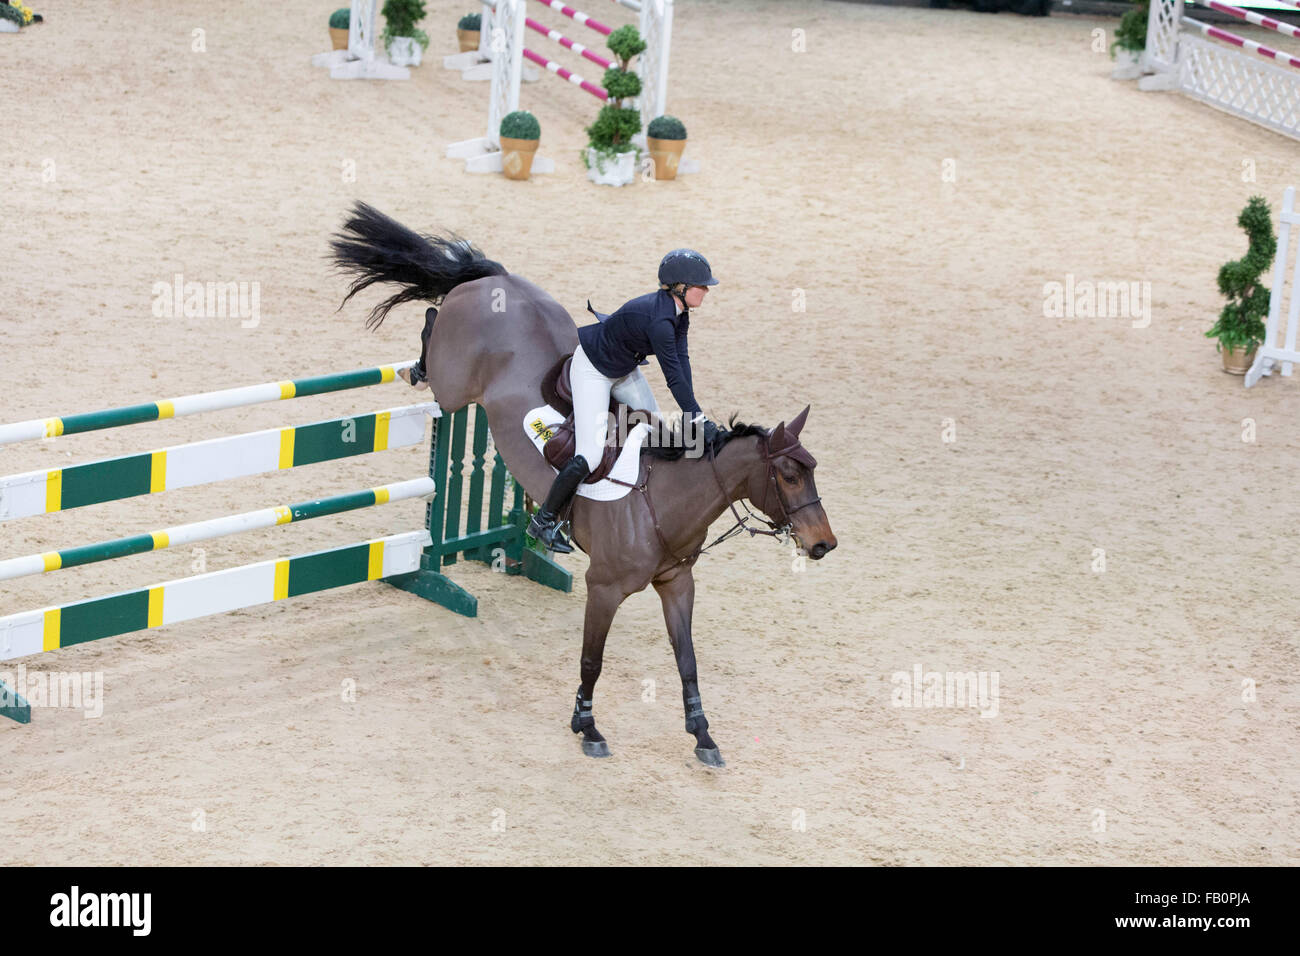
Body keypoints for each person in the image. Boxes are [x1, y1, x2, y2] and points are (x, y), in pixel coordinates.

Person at [526, 249, 722, 553]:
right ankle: (544, 520)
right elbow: (672, 376)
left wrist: (697, 416)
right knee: (589, 455)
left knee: (655, 429)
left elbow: (682, 363)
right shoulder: (660, 320)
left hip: (623, 368)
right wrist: (697, 418)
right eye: (701, 285)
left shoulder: (678, 314)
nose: (707, 290)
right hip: (593, 370)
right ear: (680, 288)